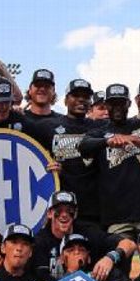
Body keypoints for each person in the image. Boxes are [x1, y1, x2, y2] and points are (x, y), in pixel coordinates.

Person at [79, 83, 140, 240]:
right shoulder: (99, 132)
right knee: (117, 261)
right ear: (106, 105)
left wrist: (134, 139)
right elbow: (83, 146)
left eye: (121, 103)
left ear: (129, 104)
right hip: (116, 217)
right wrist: (107, 141)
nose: (117, 107)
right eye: (112, 103)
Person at [29, 190, 135, 281]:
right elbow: (41, 279)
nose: (64, 215)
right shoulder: (41, 240)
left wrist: (110, 258)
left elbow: (129, 244)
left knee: (114, 272)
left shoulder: (89, 232)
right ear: (49, 214)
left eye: (69, 210)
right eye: (59, 210)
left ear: (75, 214)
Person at [35, 79, 101, 225]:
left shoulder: (100, 128)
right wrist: (45, 167)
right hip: (59, 207)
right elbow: (28, 152)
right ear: (65, 100)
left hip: (92, 209)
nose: (81, 100)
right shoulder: (47, 126)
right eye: (76, 95)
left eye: (86, 97)